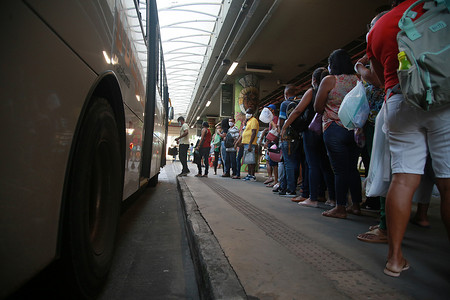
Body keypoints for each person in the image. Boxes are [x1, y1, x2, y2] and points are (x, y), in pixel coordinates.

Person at [356, 0, 450, 277]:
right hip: (442, 100)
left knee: (403, 178)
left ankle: (395, 259)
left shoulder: (378, 28)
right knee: (447, 182)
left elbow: (376, 78)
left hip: (399, 99)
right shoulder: (439, 9)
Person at [314, 49, 362, 219]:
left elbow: (318, 107)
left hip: (334, 128)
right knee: (352, 169)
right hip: (355, 129)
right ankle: (356, 205)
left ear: (332, 64)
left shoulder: (329, 80)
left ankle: (340, 207)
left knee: (340, 170)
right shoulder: (358, 79)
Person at [282, 67, 336, 207]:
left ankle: (312, 198)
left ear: (314, 80)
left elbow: (298, 110)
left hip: (311, 131)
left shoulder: (312, 92)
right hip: (327, 129)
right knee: (325, 165)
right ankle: (331, 198)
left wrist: (285, 126)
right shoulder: (333, 89)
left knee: (311, 165)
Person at [278, 84, 301, 197]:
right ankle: (290, 186)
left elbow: (281, 122)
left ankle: (289, 189)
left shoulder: (285, 104)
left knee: (288, 163)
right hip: (298, 137)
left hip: (287, 137)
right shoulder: (300, 103)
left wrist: (280, 132)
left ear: (286, 94)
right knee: (295, 162)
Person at [241, 108, 259, 181]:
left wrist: (250, 144)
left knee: (251, 160)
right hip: (246, 143)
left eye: (248, 113)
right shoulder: (249, 121)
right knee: (248, 160)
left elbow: (254, 132)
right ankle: (249, 174)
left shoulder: (254, 120)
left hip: (250, 143)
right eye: (246, 113)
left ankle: (252, 175)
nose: (247, 114)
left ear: (252, 113)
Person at [263, 104, 279, 188]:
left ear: (272, 110)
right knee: (271, 162)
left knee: (274, 162)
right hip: (271, 142)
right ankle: (274, 179)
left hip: (273, 143)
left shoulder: (274, 119)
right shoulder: (272, 119)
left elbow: (275, 129)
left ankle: (276, 180)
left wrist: (268, 141)